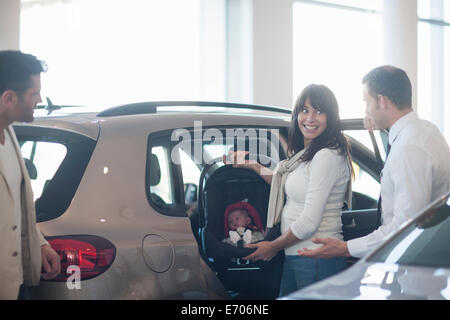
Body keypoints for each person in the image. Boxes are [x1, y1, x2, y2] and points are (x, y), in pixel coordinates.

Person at [297, 65, 450, 260]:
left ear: (382, 101)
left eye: (367, 103)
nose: (366, 111)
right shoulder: (426, 131)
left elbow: (405, 227)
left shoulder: (408, 149)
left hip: (413, 261)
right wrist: (381, 125)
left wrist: (346, 248)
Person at [225, 84, 353, 296]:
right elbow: (283, 183)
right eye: (304, 110)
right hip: (300, 255)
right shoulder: (307, 155)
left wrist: (272, 246)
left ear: (330, 117)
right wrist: (252, 165)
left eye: (319, 111)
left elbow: (309, 222)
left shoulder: (326, 156)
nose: (310, 118)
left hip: (315, 258)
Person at [0, 50, 61, 299]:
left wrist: (39, 243)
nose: (39, 99)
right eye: (34, 93)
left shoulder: (10, 134)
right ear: (9, 98)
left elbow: (13, 210)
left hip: (15, 283)